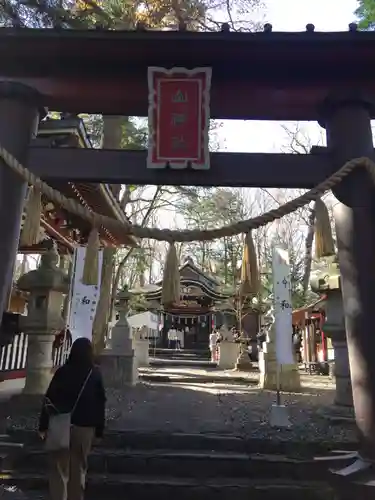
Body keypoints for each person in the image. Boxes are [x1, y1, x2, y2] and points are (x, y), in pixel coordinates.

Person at [39, 337, 106, 500]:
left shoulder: (62, 372)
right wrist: (99, 431)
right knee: (78, 469)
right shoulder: (94, 374)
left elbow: (49, 400)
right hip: (85, 428)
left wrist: (43, 425)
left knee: (58, 469)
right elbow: (100, 404)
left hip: (61, 426)